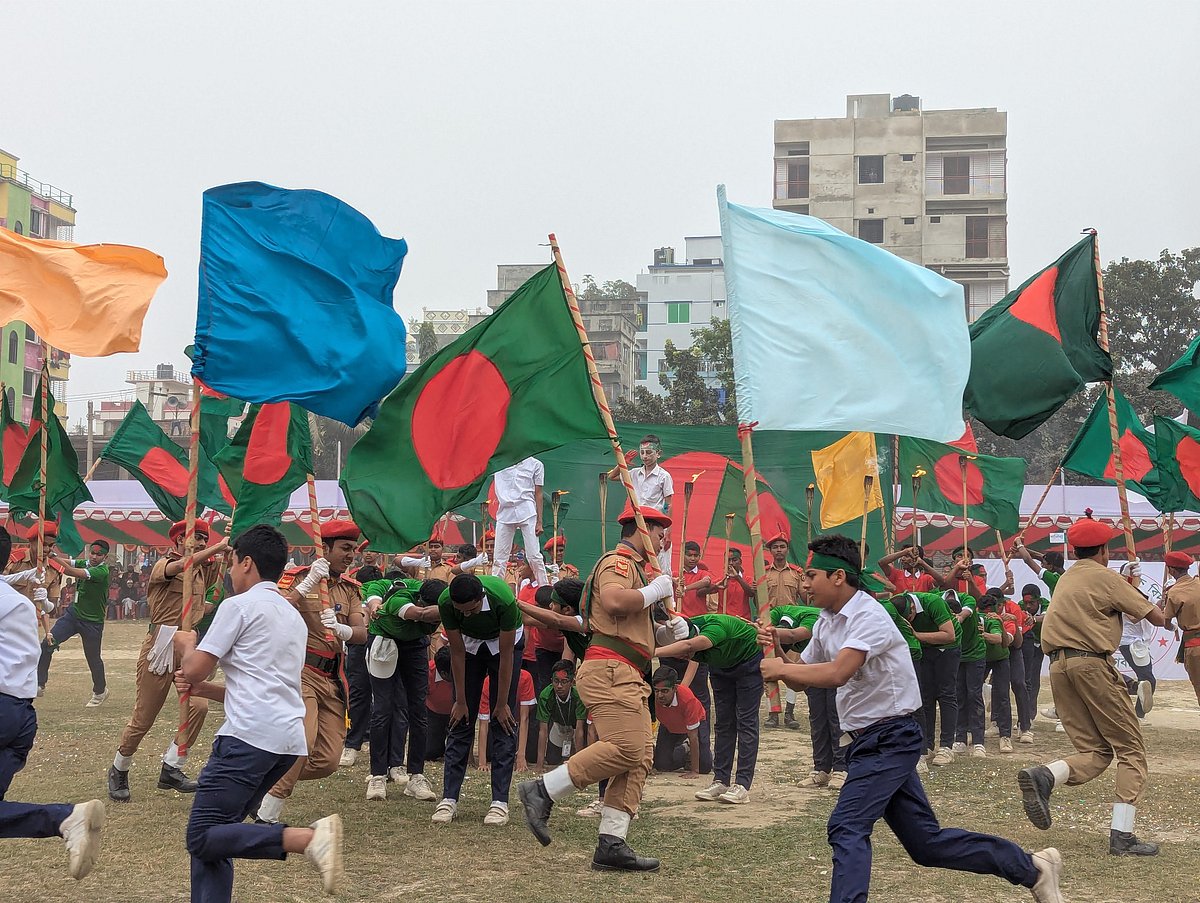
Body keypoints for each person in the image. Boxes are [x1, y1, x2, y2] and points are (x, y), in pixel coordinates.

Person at [758, 533, 1063, 903]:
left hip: (891, 737)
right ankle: (1032, 868)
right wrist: (775, 649)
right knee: (926, 844)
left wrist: (779, 668)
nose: (804, 585)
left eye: (810, 576)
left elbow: (837, 673)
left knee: (847, 826)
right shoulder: (827, 621)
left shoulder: (869, 616)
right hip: (864, 742)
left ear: (838, 576)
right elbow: (803, 677)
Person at [173, 524, 342, 901]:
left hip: (248, 738)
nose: (230, 573)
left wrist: (185, 644)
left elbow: (195, 667)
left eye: (231, 563)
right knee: (221, 838)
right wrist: (203, 690)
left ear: (246, 563)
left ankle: (307, 839)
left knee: (202, 835)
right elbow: (257, 685)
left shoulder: (239, 606)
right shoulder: (290, 615)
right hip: (285, 741)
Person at [517, 503, 674, 872]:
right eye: (656, 529)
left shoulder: (636, 571)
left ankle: (612, 842)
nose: (661, 537)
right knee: (626, 747)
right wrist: (655, 590)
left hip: (630, 670)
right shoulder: (618, 563)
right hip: (611, 670)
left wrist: (668, 630)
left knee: (641, 755)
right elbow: (616, 603)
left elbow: (633, 630)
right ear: (639, 528)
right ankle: (541, 790)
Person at [1017, 516, 1167, 856]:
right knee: (1131, 751)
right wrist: (1167, 599)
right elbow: (1158, 618)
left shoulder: (1069, 576)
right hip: (1091, 664)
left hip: (1057, 666)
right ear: (1104, 550)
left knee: (1095, 752)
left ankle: (1045, 775)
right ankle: (1123, 837)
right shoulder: (1107, 577)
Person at [0, 524, 105, 881]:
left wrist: (45, 586)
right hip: (19, 714)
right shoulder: (13, 591)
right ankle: (65, 818)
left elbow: (51, 600)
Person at [256, 520, 368, 824]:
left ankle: (259, 778)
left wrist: (344, 629)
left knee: (328, 760)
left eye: (353, 550)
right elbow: (271, 612)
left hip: (333, 678)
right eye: (345, 548)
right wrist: (306, 586)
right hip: (300, 672)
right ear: (325, 548)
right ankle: (268, 814)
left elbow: (362, 633)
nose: (351, 555)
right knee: (301, 742)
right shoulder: (297, 578)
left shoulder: (350, 589)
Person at [109, 521, 229, 802]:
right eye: (194, 538)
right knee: (144, 716)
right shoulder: (164, 565)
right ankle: (119, 767)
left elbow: (221, 564)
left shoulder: (202, 569)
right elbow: (182, 566)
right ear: (177, 541)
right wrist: (217, 547)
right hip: (161, 644)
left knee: (198, 706)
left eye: (203, 538)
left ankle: (172, 767)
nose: (200, 543)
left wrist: (229, 544)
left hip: (189, 646)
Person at [435, 573, 523, 826]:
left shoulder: (503, 600)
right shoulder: (447, 602)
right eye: (460, 611)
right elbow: (457, 652)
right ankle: (449, 798)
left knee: (503, 722)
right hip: (469, 646)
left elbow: (506, 656)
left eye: (471, 610)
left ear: (481, 598)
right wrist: (460, 700)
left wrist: (502, 703)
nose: (466, 615)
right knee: (460, 721)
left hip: (503, 645)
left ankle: (499, 803)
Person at [655, 613, 764, 804]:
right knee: (723, 724)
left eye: (681, 652)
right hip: (721, 666)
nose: (681, 656)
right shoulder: (687, 629)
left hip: (748, 663)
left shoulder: (714, 628)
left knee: (746, 722)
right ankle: (721, 780)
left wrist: (650, 652)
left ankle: (742, 784)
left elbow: (689, 646)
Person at [361, 576, 444, 803]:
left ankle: (416, 775)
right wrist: (448, 608)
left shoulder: (438, 595)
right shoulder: (401, 600)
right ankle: (378, 774)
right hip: (384, 643)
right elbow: (420, 615)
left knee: (418, 711)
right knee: (382, 709)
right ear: (420, 599)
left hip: (415, 647)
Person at [770, 601, 845, 786]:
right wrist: (778, 650)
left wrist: (770, 633)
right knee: (818, 721)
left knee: (838, 723)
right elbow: (800, 668)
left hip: (839, 675)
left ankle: (842, 769)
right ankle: (821, 769)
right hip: (816, 675)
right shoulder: (785, 613)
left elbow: (794, 634)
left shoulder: (813, 617)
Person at [37, 539, 112, 707]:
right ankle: (39, 683)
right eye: (92, 553)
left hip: (93, 622)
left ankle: (100, 691)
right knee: (47, 642)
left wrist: (53, 555)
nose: (94, 557)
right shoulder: (86, 562)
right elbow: (68, 562)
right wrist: (49, 554)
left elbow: (71, 571)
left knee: (93, 658)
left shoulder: (102, 571)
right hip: (73, 615)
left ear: (105, 557)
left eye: (98, 555)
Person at [901, 589, 961, 766]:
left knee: (946, 694)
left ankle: (946, 746)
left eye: (910, 616)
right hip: (925, 648)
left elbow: (949, 635)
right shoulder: (899, 603)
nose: (910, 620)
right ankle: (927, 745)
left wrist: (917, 635)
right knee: (925, 696)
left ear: (913, 607)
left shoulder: (932, 602)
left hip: (947, 648)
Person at [760, 532, 802, 728]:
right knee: (771, 669)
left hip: (792, 626)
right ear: (770, 551)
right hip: (770, 625)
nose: (779, 550)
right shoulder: (763, 574)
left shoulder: (796, 573)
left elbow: (805, 598)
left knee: (793, 669)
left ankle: (790, 713)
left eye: (782, 546)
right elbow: (757, 600)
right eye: (775, 547)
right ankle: (772, 713)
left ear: (787, 549)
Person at [491, 456, 549, 587]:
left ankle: (544, 588)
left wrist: (540, 521)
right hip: (504, 512)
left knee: (534, 555)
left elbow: (538, 493)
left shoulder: (536, 464)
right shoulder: (498, 462)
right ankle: (496, 591)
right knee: (499, 559)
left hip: (527, 510)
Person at [951, 589, 992, 758]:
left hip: (975, 655)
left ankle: (978, 742)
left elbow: (966, 611)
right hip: (957, 655)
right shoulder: (939, 602)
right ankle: (960, 738)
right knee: (959, 694)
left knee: (974, 695)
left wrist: (959, 617)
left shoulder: (968, 599)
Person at [649, 666, 709, 776]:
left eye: (665, 691)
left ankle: (691, 750)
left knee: (705, 766)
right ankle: (685, 749)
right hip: (669, 726)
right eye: (657, 691)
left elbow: (693, 736)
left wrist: (694, 771)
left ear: (675, 688)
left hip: (695, 725)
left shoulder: (687, 699)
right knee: (662, 766)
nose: (660, 695)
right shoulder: (650, 698)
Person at [1115, 562, 1157, 719]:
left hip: (1141, 642)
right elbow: (1133, 617)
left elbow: (1158, 609)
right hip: (1129, 642)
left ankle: (1137, 713)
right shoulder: (1121, 595)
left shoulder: (1143, 592)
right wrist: (1149, 607)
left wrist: (1168, 595)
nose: (1137, 578)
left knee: (1146, 679)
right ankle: (1138, 714)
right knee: (1148, 679)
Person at [978, 591, 1017, 754]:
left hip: (1001, 659)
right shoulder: (976, 617)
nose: (987, 616)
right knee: (973, 694)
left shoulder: (1003, 620)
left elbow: (1001, 641)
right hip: (980, 658)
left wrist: (993, 627)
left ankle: (1005, 736)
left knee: (1002, 696)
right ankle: (974, 734)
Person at [477, 668, 536, 772]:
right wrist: (482, 762)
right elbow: (483, 724)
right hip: (497, 721)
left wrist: (521, 755)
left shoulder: (525, 677)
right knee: (494, 754)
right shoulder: (488, 682)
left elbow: (524, 718)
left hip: (518, 720)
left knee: (532, 754)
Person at [534, 660, 587, 771]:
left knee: (574, 758)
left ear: (572, 682)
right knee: (553, 759)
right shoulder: (546, 696)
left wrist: (579, 764)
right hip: (559, 727)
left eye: (564, 682)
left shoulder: (579, 696)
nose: (559, 686)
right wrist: (539, 764)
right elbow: (542, 730)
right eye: (556, 681)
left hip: (577, 728)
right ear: (551, 681)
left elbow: (580, 729)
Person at [1163, 551, 1200, 704]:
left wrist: (1171, 627)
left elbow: (1166, 621)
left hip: (1194, 645)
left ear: (1171, 570)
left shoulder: (1174, 592)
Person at [1018, 584, 1051, 723]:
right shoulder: (1020, 605)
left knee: (1033, 678)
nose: (1028, 606)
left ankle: (1030, 715)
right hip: (1025, 644)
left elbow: (1046, 617)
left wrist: (1033, 619)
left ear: (1039, 600)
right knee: (1023, 679)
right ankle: (1024, 715)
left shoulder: (1046, 604)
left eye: (1032, 603)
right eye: (1026, 603)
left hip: (1042, 644)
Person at [425, 646, 454, 761]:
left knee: (455, 753)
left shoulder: (463, 669)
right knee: (430, 753)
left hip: (455, 714)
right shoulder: (427, 672)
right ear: (443, 673)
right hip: (433, 713)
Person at [712, 547, 753, 621]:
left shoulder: (747, 579)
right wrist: (715, 586)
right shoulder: (721, 579)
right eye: (728, 560)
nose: (731, 563)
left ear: (740, 561)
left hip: (742, 620)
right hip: (724, 619)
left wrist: (737, 577)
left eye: (734, 560)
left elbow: (751, 593)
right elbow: (703, 591)